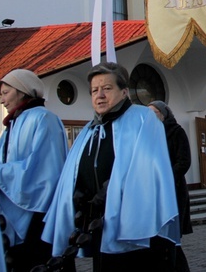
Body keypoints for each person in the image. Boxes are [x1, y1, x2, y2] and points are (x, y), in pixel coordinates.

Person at [42, 62, 180, 271]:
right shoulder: (91, 128)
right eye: (95, 90)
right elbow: (74, 168)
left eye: (107, 89)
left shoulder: (143, 119)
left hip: (134, 222)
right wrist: (77, 190)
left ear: (124, 92)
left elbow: (147, 167)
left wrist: (112, 189)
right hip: (99, 222)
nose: (100, 95)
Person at [0, 69, 68, 272]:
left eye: (6, 93)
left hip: (38, 214)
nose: (2, 100)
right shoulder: (13, 124)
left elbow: (44, 171)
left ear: (22, 91)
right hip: (14, 207)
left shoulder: (44, 119)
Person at [149, 101, 193, 272]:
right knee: (159, 239)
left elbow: (184, 162)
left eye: (154, 112)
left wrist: (164, 177)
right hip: (153, 193)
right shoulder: (148, 134)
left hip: (173, 191)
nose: (151, 117)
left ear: (163, 114)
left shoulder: (176, 132)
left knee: (172, 241)